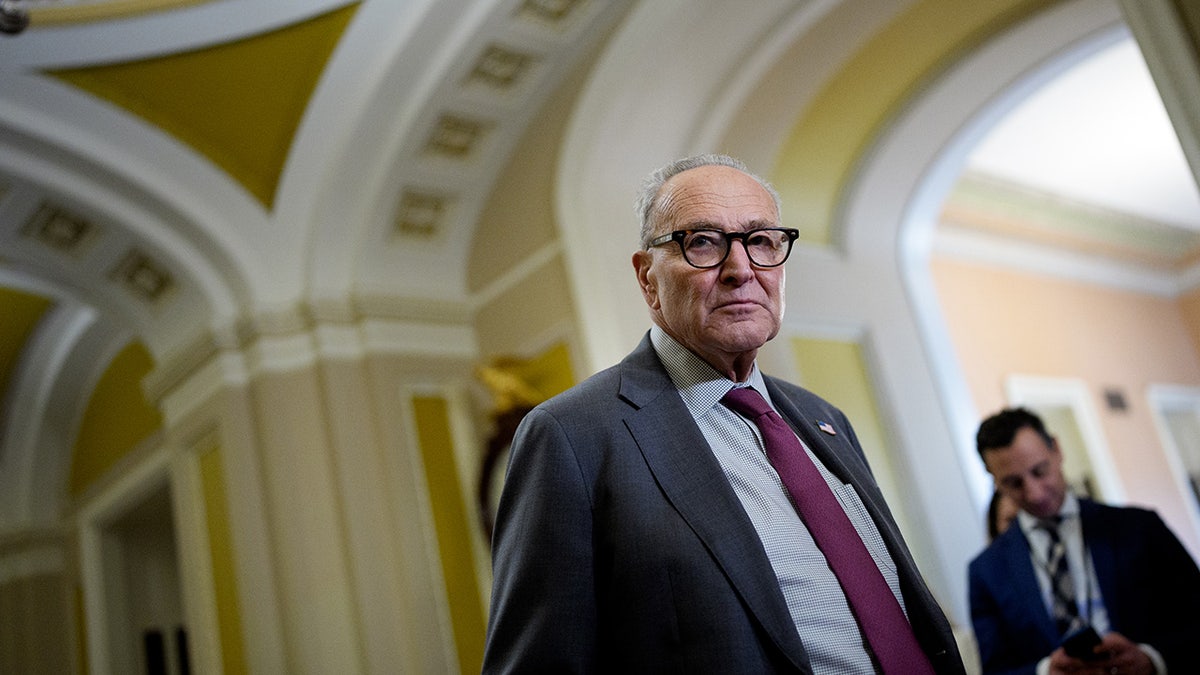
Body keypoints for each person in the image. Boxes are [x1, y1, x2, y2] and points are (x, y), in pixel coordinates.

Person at [482, 154, 965, 674]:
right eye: (703, 242)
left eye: (761, 242)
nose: (741, 270)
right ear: (648, 279)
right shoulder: (571, 436)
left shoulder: (824, 419)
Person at [967, 407, 1200, 674]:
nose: (1034, 494)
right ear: (993, 479)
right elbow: (995, 670)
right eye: (1013, 483)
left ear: (1056, 449)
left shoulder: (1139, 528)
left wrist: (1151, 658)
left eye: (1040, 471)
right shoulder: (986, 571)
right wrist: (1046, 671)